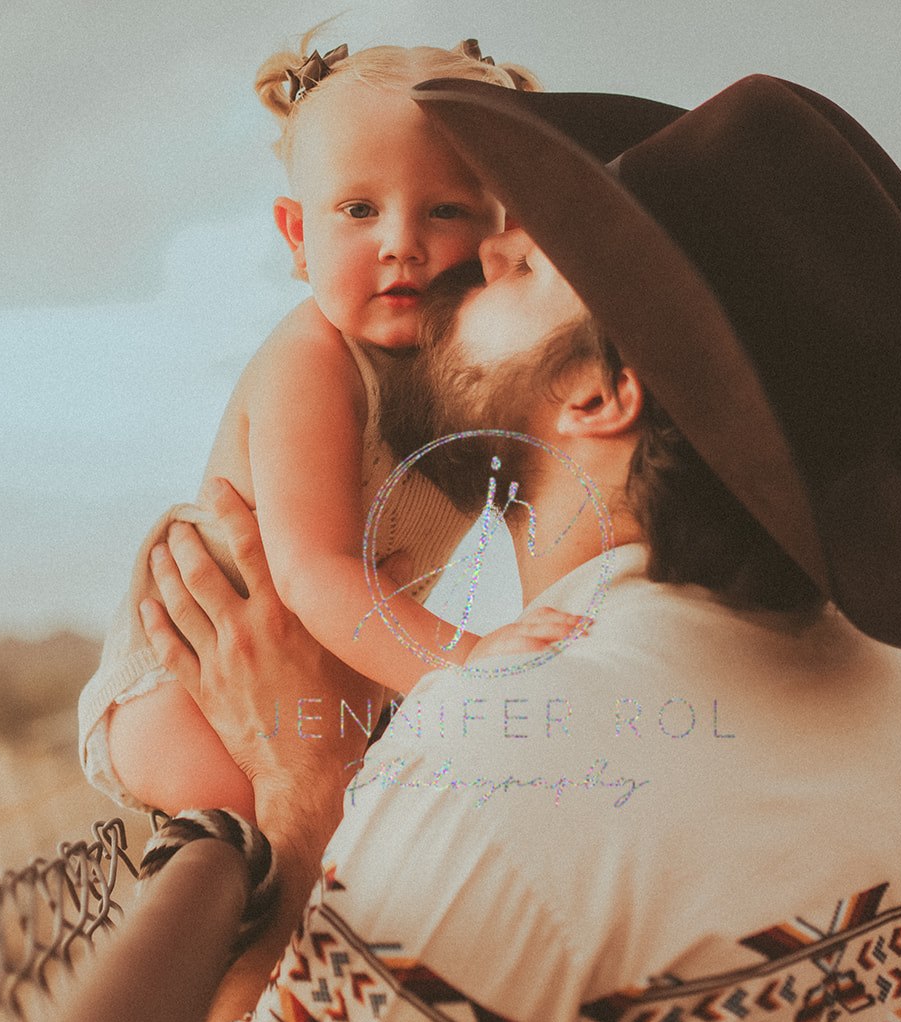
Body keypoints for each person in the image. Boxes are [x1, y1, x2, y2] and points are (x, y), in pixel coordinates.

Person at [142, 76, 901, 1022]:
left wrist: (303, 806)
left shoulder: (507, 750)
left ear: (603, 393)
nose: (460, 266)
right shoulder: (893, 693)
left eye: (515, 265)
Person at [76, 35, 581, 820]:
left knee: (372, 841)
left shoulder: (486, 375)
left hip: (331, 676)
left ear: (501, 227)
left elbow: (538, 519)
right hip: (182, 682)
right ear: (297, 237)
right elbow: (316, 573)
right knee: (248, 848)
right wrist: (477, 668)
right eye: (358, 210)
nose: (401, 242)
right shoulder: (314, 360)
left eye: (446, 209)